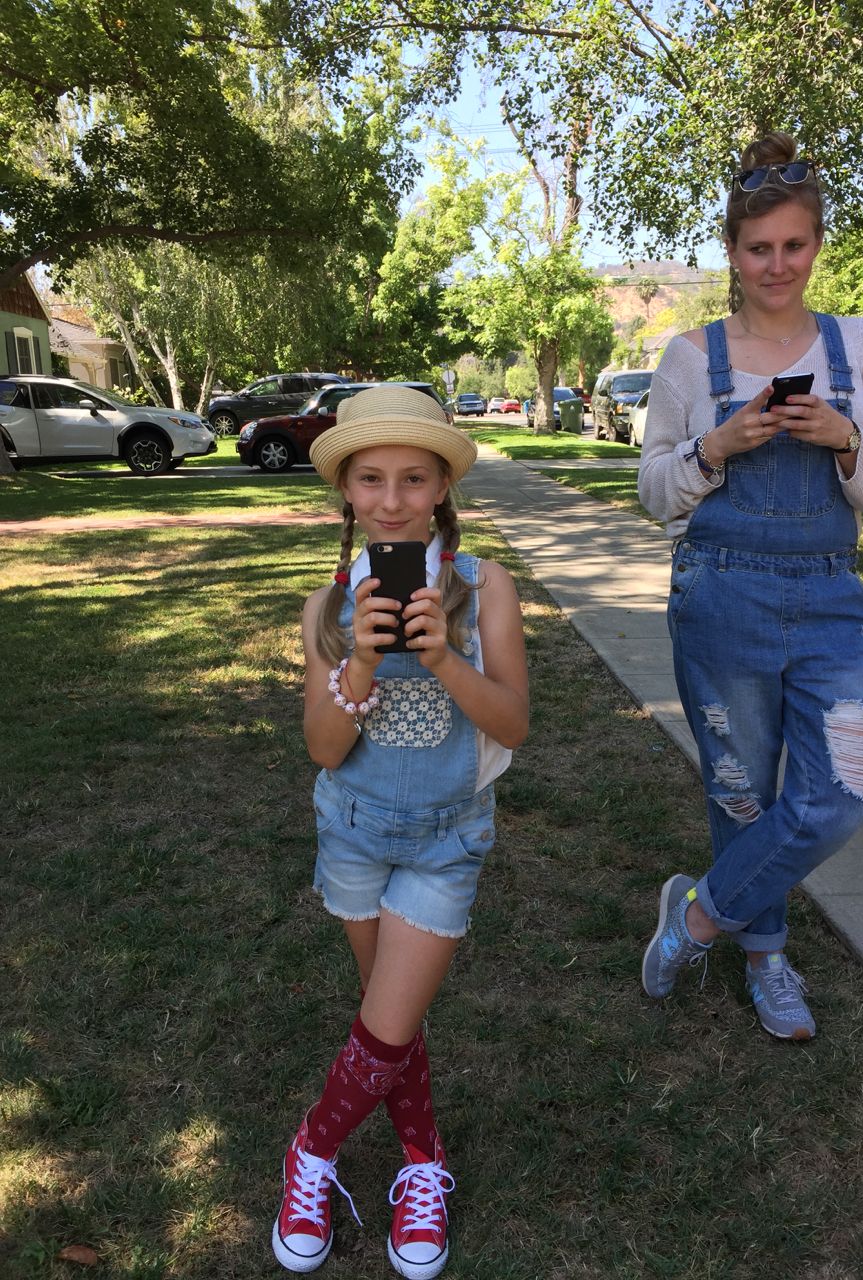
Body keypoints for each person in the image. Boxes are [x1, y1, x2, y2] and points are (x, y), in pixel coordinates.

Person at [637, 132, 863, 1041]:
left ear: (817, 244)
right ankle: (767, 958)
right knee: (742, 792)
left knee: (847, 789)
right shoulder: (689, 357)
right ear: (732, 251)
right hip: (721, 595)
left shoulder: (859, 345)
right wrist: (715, 447)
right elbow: (652, 495)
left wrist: (843, 438)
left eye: (794, 245)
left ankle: (701, 914)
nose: (777, 265)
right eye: (759, 248)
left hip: (828, 597)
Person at [272, 384, 528, 1277]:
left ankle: (312, 1149)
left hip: (447, 840)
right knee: (395, 1015)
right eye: (370, 479)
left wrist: (442, 657)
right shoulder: (323, 607)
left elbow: (513, 724)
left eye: (413, 479)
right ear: (345, 490)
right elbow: (323, 747)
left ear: (441, 489)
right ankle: (424, 1161)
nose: (391, 500)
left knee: (385, 1024)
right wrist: (361, 659)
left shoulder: (485, 588)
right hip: (353, 832)